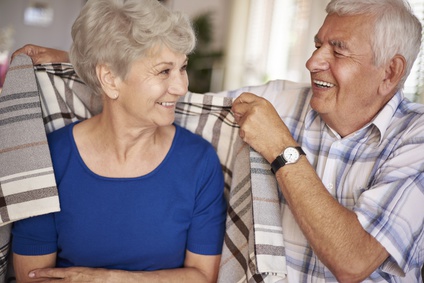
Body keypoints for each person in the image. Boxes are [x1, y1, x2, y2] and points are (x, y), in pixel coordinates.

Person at [11, 0, 424, 282]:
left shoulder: (416, 140)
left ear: (390, 72)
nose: (313, 61)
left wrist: (282, 148)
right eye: (318, 44)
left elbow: (354, 261)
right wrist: (79, 62)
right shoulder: (283, 99)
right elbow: (175, 101)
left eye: (338, 50)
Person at [11, 0, 226, 282]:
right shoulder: (46, 158)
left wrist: (111, 279)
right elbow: (33, 277)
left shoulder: (199, 161)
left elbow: (201, 276)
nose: (182, 87)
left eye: (182, 67)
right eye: (164, 71)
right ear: (110, 79)